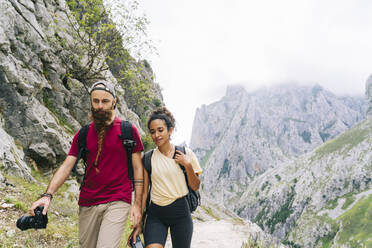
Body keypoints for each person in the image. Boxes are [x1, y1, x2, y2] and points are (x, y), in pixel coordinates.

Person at [29, 80, 144, 248]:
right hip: (88, 202)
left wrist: (138, 204)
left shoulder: (128, 130)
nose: (99, 106)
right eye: (95, 101)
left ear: (114, 101)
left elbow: (138, 169)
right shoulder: (83, 134)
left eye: (104, 101)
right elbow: (67, 166)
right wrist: (48, 195)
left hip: (118, 199)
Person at [131, 106, 202, 248]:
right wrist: (139, 220)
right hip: (156, 215)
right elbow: (145, 193)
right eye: (152, 132)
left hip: (181, 214)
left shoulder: (185, 154)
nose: (156, 135)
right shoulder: (148, 158)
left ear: (170, 130)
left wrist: (187, 165)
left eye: (160, 130)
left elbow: (195, 186)